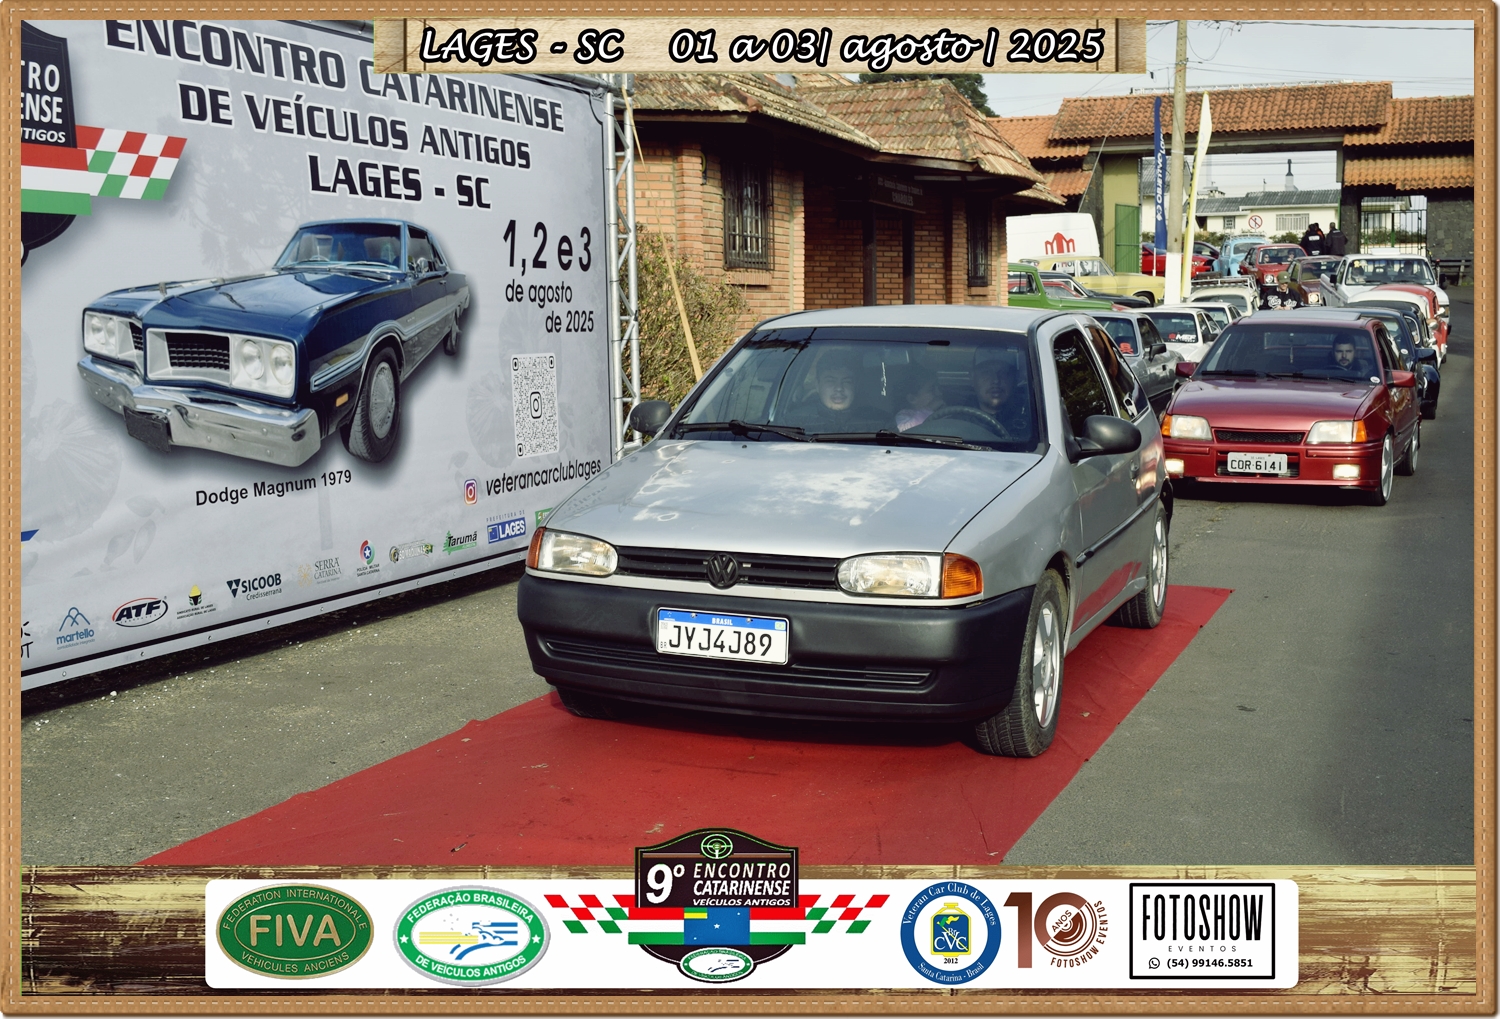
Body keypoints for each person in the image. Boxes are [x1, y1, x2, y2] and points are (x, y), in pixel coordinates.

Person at [796, 349, 884, 433]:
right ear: (817, 385)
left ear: (856, 386)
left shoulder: (879, 424)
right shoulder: (796, 422)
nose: (839, 388)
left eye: (846, 381)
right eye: (830, 381)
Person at [970, 358, 1029, 437]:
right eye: (986, 373)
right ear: (972, 379)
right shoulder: (957, 419)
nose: (996, 380)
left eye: (1004, 373)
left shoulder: (1033, 421)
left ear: (1016, 379)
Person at [894, 367, 945, 432]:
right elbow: (907, 431)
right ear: (912, 399)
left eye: (938, 388)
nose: (938, 393)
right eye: (931, 390)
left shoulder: (941, 409)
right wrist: (929, 409)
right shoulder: (904, 415)